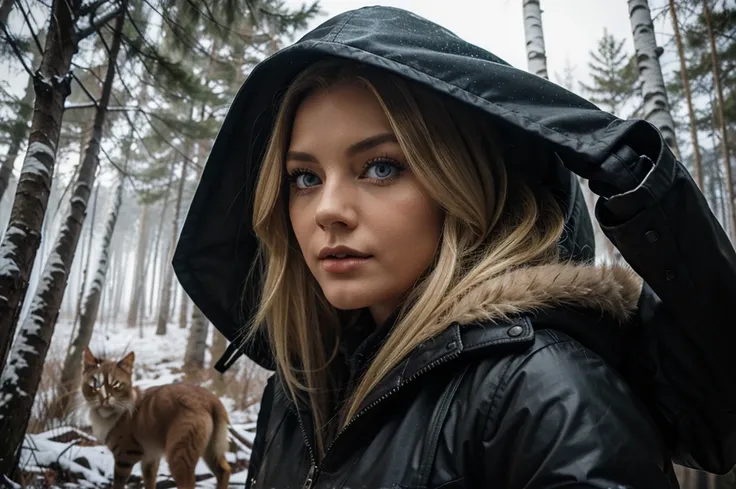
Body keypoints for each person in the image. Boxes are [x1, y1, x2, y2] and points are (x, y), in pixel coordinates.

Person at [172, 6, 736, 488]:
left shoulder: (546, 394)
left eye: (381, 166)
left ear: (463, 186)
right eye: (305, 178)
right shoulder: (299, 389)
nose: (327, 210)